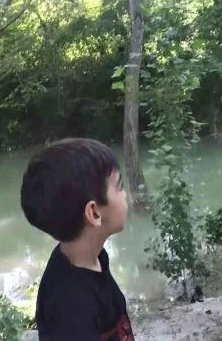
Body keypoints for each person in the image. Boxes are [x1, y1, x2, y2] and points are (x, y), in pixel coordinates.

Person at [20, 138, 135, 341]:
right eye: (119, 186)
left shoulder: (95, 257)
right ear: (94, 213)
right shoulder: (70, 306)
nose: (125, 194)